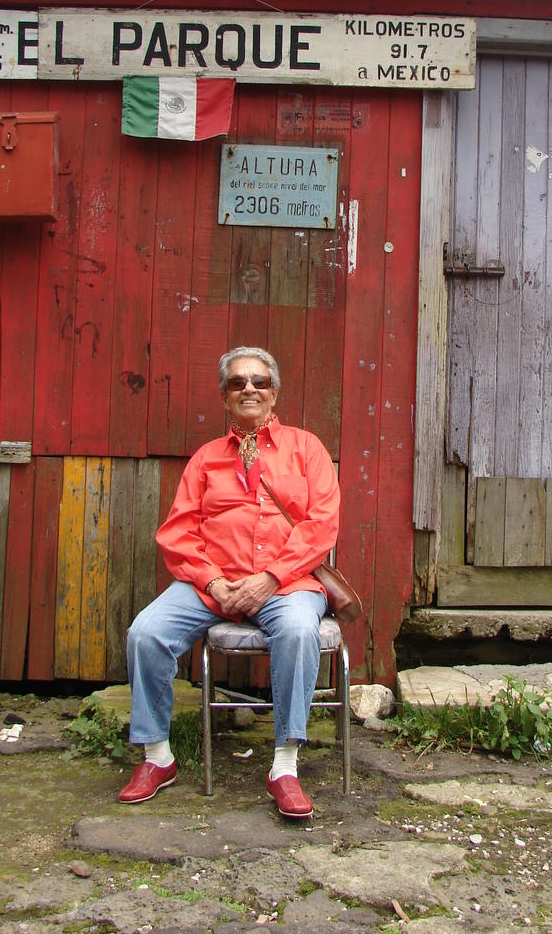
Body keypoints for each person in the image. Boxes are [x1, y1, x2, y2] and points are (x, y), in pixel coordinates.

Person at [118, 346, 340, 819]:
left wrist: (271, 577)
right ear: (224, 397)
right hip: (212, 585)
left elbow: (321, 526)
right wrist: (214, 582)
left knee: (298, 631)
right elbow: (178, 532)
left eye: (260, 381)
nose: (249, 389)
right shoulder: (205, 459)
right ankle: (157, 757)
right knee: (145, 633)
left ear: (274, 393)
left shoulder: (307, 449)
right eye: (238, 383)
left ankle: (284, 767)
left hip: (285, 584)